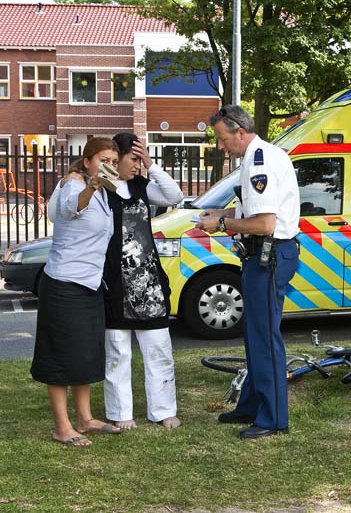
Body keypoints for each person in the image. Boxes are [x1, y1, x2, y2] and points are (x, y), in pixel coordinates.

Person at [196, 105, 300, 439]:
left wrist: (222, 223)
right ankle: (252, 406)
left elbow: (265, 223)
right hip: (263, 257)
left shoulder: (260, 162)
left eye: (222, 139)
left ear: (239, 132)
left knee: (265, 338)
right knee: (255, 335)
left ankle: (272, 419)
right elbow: (256, 209)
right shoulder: (261, 156)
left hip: (268, 256)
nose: (221, 146)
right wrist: (222, 211)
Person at [30, 137, 123, 446]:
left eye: (112, 160)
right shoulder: (75, 185)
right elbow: (71, 208)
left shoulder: (106, 192)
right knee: (60, 355)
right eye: (102, 159)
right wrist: (91, 186)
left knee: (84, 353)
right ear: (87, 162)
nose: (109, 165)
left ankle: (84, 418)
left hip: (89, 284)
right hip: (64, 284)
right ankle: (62, 426)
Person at [103, 133, 184, 430]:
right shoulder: (102, 189)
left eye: (140, 159)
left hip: (148, 284)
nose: (137, 165)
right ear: (117, 157)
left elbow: (174, 197)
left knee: (158, 348)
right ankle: (120, 411)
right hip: (115, 282)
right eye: (133, 159)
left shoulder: (142, 186)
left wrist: (151, 164)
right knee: (118, 351)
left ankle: (163, 410)